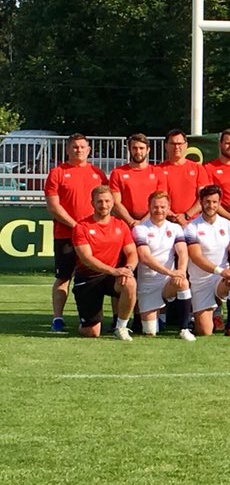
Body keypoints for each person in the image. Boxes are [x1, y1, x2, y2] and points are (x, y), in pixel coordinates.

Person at [45, 133, 108, 332]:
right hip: (65, 235)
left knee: (95, 275)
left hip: (93, 236)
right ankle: (57, 318)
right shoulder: (57, 172)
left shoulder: (98, 173)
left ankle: (94, 317)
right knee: (63, 276)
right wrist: (76, 226)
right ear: (67, 149)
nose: (78, 150)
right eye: (74, 147)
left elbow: (107, 202)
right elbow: (53, 206)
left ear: (88, 150)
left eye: (82, 147)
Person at [70, 185, 138, 340]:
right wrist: (114, 271)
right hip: (88, 278)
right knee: (92, 333)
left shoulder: (121, 225)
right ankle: (84, 323)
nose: (104, 205)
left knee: (130, 282)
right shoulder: (81, 227)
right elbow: (87, 259)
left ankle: (121, 327)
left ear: (113, 202)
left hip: (111, 277)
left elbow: (132, 252)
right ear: (92, 203)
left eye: (107, 201)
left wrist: (128, 268)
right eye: (99, 201)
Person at [183, 185, 230, 337]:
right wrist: (221, 271)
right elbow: (196, 257)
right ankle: (196, 318)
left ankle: (229, 325)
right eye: (207, 202)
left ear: (219, 203)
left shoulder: (229, 225)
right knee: (204, 331)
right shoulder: (191, 227)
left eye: (215, 202)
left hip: (220, 278)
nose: (211, 205)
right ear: (201, 202)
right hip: (200, 282)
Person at [133, 190, 194, 341]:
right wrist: (170, 271)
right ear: (149, 207)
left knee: (183, 282)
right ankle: (159, 315)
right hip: (148, 285)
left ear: (168, 208)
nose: (159, 210)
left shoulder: (175, 228)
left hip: (168, 281)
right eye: (155, 207)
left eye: (162, 207)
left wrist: (180, 271)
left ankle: (184, 328)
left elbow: (183, 252)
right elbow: (145, 257)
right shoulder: (140, 229)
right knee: (150, 332)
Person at [111, 133, 167, 228]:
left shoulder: (158, 172)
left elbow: (161, 200)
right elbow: (116, 202)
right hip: (125, 224)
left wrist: (143, 222)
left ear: (148, 150)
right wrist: (131, 221)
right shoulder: (117, 173)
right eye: (134, 148)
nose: (138, 151)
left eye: (141, 148)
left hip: (151, 223)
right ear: (129, 149)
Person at [158, 128, 209, 228]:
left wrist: (186, 216)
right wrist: (172, 215)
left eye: (180, 143)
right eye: (173, 144)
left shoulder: (198, 168)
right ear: (166, 146)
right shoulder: (158, 170)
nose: (177, 147)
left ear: (186, 145)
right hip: (166, 222)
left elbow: (203, 197)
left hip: (193, 222)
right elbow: (158, 197)